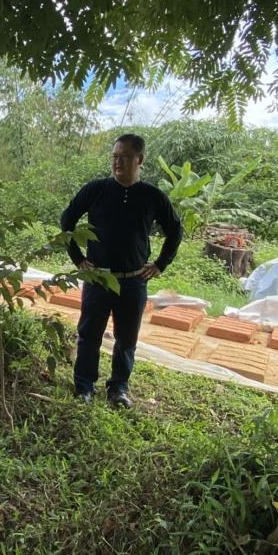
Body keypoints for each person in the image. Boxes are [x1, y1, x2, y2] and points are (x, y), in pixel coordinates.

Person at [60, 134, 183, 409]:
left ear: (139, 160)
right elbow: (67, 220)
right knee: (89, 334)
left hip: (133, 281)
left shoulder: (152, 196)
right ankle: (84, 386)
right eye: (115, 157)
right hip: (98, 278)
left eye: (125, 157)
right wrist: (78, 259)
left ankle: (118, 388)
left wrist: (160, 264)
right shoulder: (96, 189)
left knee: (126, 339)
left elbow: (175, 230)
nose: (118, 162)